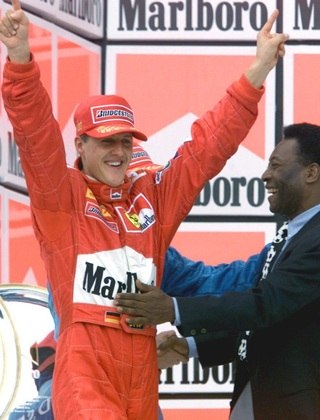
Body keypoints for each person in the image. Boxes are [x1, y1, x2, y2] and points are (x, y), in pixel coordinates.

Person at [0, 0, 288, 418]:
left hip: (140, 366)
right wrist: (21, 59)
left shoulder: (152, 200)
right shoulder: (61, 197)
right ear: (80, 145)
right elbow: (34, 132)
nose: (118, 152)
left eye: (125, 141)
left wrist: (257, 72)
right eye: (105, 141)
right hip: (85, 367)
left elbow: (206, 149)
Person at [115, 123, 320, 419]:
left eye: (275, 166)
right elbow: (268, 324)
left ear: (311, 173)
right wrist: (189, 346)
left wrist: (173, 309)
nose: (265, 175)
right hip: (258, 399)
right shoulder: (293, 234)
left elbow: (265, 305)